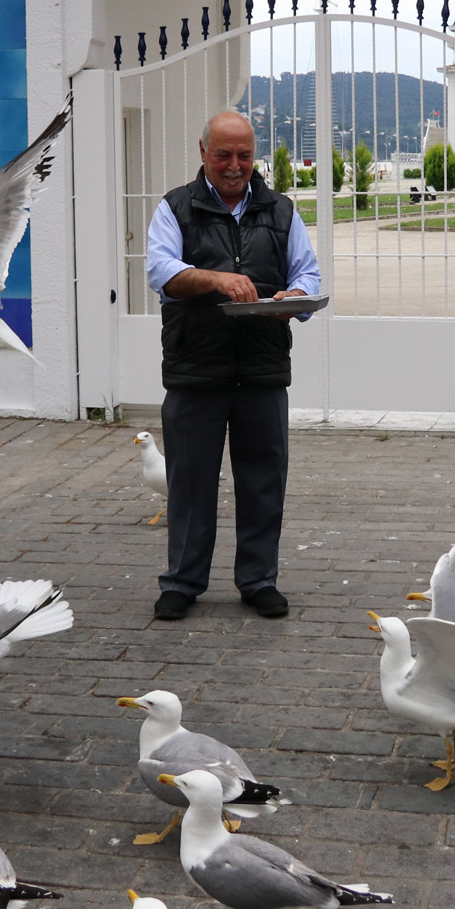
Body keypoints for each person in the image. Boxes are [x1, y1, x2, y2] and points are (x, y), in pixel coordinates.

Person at [143, 112, 323, 622]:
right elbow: (160, 271)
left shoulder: (282, 210)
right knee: (190, 483)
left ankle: (259, 580)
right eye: (223, 155)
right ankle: (182, 582)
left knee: (264, 481)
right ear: (203, 152)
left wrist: (298, 297)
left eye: (244, 155)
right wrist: (216, 279)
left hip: (263, 371)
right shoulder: (175, 208)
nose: (235, 166)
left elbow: (307, 273)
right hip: (195, 369)